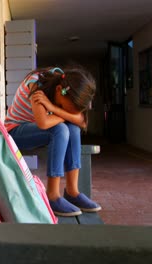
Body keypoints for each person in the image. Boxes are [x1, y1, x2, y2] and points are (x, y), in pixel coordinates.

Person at [5, 66, 102, 217]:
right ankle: (52, 195)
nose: (66, 110)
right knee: (62, 129)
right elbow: (43, 123)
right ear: (58, 90)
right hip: (15, 132)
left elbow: (82, 122)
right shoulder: (36, 85)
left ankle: (72, 191)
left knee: (74, 129)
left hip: (40, 132)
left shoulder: (68, 88)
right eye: (64, 106)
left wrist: (54, 108)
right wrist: (68, 116)